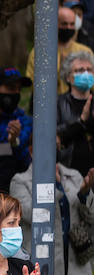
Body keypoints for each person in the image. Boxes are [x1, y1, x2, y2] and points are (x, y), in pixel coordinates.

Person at [0, 67, 34, 194]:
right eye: (11, 88)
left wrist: (15, 142)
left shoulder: (25, 122)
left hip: (14, 195)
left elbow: (27, 166)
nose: (15, 93)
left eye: (18, 89)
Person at [26, 5, 93, 94]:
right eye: (64, 24)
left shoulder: (85, 51)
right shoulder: (40, 52)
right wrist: (58, 73)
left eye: (72, 24)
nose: (68, 28)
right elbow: (32, 84)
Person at [57, 52, 94, 181]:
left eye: (89, 70)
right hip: (68, 175)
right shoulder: (58, 103)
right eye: (79, 70)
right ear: (68, 77)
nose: (85, 74)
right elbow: (57, 136)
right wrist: (81, 121)